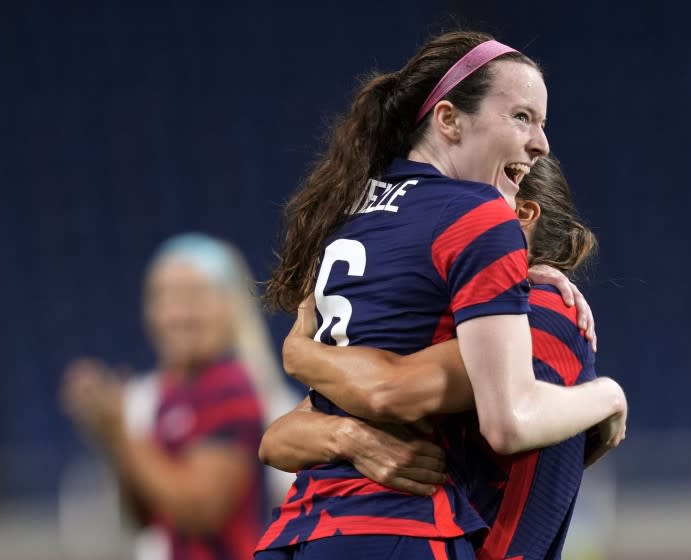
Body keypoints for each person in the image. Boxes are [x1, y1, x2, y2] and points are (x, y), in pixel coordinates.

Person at [258, 30, 626, 559]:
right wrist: (609, 397)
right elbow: (506, 423)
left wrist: (301, 354)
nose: (542, 142)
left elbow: (280, 436)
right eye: (522, 116)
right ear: (449, 119)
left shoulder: (350, 215)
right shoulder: (482, 222)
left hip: (298, 530)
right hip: (398, 530)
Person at [61, 233, 300, 560]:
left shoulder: (234, 387)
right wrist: (109, 434)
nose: (175, 315)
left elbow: (201, 512)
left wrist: (119, 433)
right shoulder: (165, 394)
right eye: (161, 297)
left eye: (192, 296)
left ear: (229, 305)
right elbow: (146, 517)